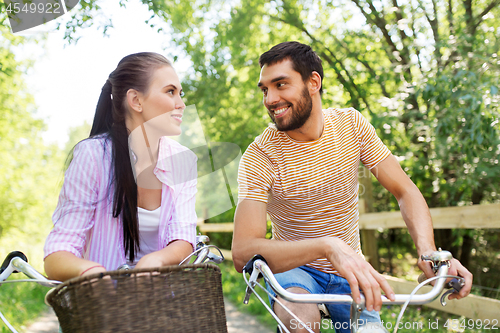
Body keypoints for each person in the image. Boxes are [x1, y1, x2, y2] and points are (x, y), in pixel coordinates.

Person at [232, 42, 473, 333]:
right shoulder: (259, 155)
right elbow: (243, 252)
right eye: (265, 89)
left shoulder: (351, 126)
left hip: (352, 272)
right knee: (301, 324)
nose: (270, 99)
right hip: (294, 271)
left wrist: (429, 253)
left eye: (280, 84)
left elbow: (405, 191)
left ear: (313, 82)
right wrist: (327, 246)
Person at [44, 52, 197, 281]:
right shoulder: (92, 156)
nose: (181, 104)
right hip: (104, 305)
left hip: (163, 304)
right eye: (170, 92)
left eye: (180, 93)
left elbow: (184, 238)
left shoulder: (182, 160)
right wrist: (91, 272)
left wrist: (155, 260)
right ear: (136, 100)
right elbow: (58, 253)